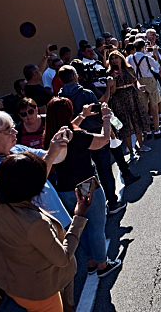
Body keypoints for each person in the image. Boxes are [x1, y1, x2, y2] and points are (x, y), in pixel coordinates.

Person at [0, 152, 90, 312]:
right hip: (42, 290)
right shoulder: (35, 223)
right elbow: (62, 259)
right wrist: (78, 217)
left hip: (16, 281)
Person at [43, 98, 122, 279]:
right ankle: (103, 264)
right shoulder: (77, 136)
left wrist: (82, 116)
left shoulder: (52, 137)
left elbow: (68, 126)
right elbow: (102, 140)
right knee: (96, 226)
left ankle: (91, 262)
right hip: (86, 184)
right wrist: (107, 118)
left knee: (81, 226)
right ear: (68, 113)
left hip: (64, 188)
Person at [0, 110, 72, 227]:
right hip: (35, 228)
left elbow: (56, 158)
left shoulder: (16, 149)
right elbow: (30, 186)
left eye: (13, 127)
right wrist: (51, 154)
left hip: (56, 219)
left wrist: (62, 144)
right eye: (8, 130)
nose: (15, 132)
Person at [57, 66, 128, 214]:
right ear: (75, 76)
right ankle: (112, 202)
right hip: (94, 135)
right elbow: (98, 114)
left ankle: (91, 207)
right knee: (104, 170)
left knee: (86, 174)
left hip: (74, 140)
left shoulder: (59, 99)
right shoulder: (86, 93)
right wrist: (107, 124)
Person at [106, 50, 150, 161]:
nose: (114, 60)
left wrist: (139, 86)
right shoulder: (110, 73)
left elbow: (135, 80)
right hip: (119, 99)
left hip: (132, 96)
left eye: (116, 57)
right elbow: (112, 91)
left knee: (137, 120)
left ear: (121, 58)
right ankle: (131, 151)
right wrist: (114, 79)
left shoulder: (129, 68)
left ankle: (141, 144)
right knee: (125, 124)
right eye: (112, 58)